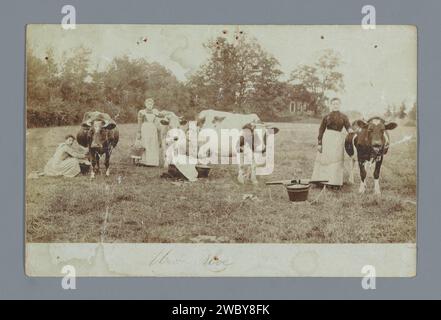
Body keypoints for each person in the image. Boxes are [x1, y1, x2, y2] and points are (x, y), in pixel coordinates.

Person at [311, 97, 352, 187]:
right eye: (333, 104)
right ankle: (322, 181)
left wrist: (351, 131)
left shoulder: (344, 117)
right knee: (325, 160)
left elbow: (348, 127)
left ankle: (334, 182)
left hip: (338, 141)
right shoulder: (327, 117)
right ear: (331, 105)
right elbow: (321, 130)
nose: (335, 105)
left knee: (336, 161)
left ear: (340, 105)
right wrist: (319, 143)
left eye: (337, 104)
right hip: (327, 140)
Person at [137, 98, 161, 166]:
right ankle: (144, 161)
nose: (150, 105)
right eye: (148, 104)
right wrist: (139, 132)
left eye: (151, 104)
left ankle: (152, 161)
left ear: (153, 105)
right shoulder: (142, 112)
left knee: (153, 143)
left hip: (153, 129)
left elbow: (161, 115)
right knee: (145, 143)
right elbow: (139, 123)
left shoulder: (155, 111)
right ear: (145, 104)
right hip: (145, 128)